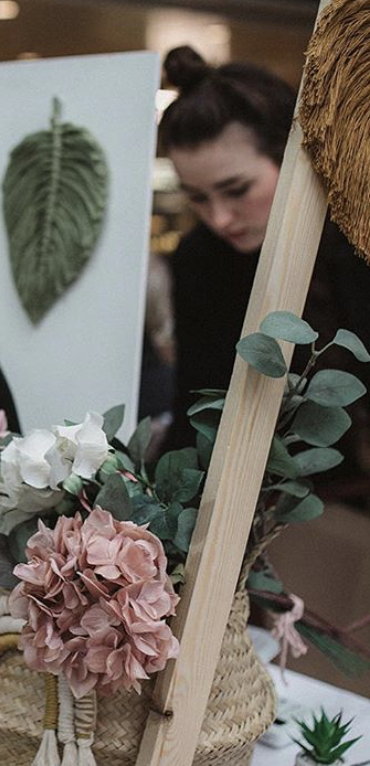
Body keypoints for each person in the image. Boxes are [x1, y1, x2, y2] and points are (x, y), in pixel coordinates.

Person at [157, 46, 370, 474]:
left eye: (237, 190)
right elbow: (197, 408)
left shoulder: (356, 232)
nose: (220, 218)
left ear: (293, 158)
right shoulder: (199, 258)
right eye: (197, 198)